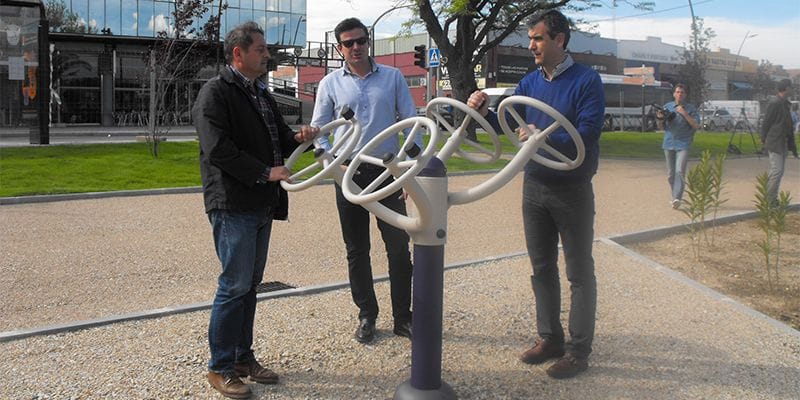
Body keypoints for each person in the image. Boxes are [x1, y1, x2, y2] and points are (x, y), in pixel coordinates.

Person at [467, 9, 604, 379]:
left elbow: (588, 132)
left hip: (572, 187)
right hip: (535, 186)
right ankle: (550, 338)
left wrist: (539, 135)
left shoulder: (587, 81)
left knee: (578, 271)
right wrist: (481, 110)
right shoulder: (529, 83)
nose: (531, 46)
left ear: (559, 40)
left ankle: (578, 351)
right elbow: (507, 121)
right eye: (531, 39)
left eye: (538, 39)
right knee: (542, 268)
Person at [192, 21, 319, 399]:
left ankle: (243, 359)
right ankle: (220, 367)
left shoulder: (260, 94)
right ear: (238, 53)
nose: (267, 55)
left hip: (260, 203)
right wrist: (265, 172)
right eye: (261, 49)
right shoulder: (216, 93)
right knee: (234, 285)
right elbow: (219, 149)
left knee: (248, 286)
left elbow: (279, 136)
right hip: (233, 204)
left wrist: (301, 137)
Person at [311, 17, 420, 344]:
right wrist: (332, 165)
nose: (355, 47)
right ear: (339, 47)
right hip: (349, 174)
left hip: (386, 171)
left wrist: (412, 167)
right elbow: (320, 133)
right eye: (348, 43)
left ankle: (403, 317)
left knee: (399, 247)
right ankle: (366, 315)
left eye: (360, 41)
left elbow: (410, 123)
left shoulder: (393, 77)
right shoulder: (330, 83)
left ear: (368, 41)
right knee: (357, 249)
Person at [656, 83, 700, 209]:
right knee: (670, 174)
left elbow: (696, 126)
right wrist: (659, 118)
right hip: (668, 143)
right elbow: (661, 127)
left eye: (682, 92)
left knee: (679, 171)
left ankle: (677, 198)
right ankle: (675, 195)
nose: (680, 94)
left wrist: (684, 113)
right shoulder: (667, 107)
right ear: (674, 93)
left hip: (684, 144)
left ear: (685, 95)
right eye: (678, 92)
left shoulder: (691, 108)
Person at [760, 79, 797, 204]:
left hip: (782, 142)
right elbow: (766, 123)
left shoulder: (785, 103)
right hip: (775, 142)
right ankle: (769, 200)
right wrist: (763, 139)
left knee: (778, 171)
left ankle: (772, 199)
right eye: (791, 87)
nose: (793, 90)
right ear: (786, 88)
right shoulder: (775, 103)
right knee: (777, 170)